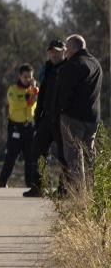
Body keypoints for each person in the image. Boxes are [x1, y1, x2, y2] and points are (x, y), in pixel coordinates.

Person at [55, 34, 103, 192]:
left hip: (73, 118)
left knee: (74, 156)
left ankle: (79, 193)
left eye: (67, 49)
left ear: (73, 48)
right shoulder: (96, 64)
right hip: (92, 118)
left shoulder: (72, 66)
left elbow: (64, 93)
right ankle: (93, 191)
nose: (65, 53)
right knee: (90, 154)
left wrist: (61, 109)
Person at [24, 40, 67, 197]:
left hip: (62, 118)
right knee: (37, 152)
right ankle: (39, 187)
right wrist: (38, 114)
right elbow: (42, 93)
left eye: (57, 51)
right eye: (51, 51)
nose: (54, 54)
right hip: (46, 117)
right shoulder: (47, 69)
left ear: (64, 51)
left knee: (64, 155)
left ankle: (64, 189)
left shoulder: (68, 68)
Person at [0, 64, 38, 188]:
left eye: (29, 77)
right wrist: (29, 99)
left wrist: (34, 92)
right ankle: (3, 181)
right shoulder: (13, 90)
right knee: (11, 156)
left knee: (30, 157)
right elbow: (15, 105)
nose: (27, 79)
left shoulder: (33, 90)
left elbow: (35, 105)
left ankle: (30, 184)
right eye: (25, 77)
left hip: (29, 127)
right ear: (20, 76)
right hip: (16, 127)